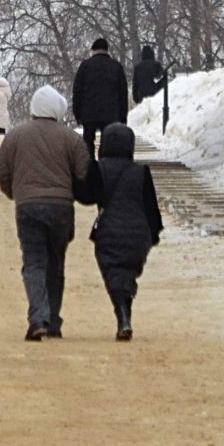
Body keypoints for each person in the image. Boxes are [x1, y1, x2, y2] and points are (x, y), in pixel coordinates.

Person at [0, 85, 89, 340]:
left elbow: (0, 169)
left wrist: (15, 192)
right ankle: (53, 319)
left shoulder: (15, 136)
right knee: (56, 264)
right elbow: (83, 173)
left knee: (34, 262)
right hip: (61, 208)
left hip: (28, 208)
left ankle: (38, 318)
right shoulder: (71, 139)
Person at [78, 122, 163, 340]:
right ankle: (125, 314)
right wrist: (153, 235)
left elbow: (88, 196)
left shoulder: (99, 169)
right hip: (138, 233)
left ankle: (123, 316)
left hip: (109, 231)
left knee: (114, 273)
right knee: (125, 273)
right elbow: (151, 207)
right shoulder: (141, 172)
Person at [72, 37, 130, 158]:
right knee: (108, 141)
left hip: (89, 113)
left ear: (93, 50)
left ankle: (89, 168)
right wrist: (123, 115)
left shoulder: (85, 66)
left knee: (88, 142)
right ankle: (105, 166)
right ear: (107, 50)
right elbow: (122, 93)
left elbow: (77, 91)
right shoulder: (116, 67)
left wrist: (77, 113)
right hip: (111, 113)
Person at [131, 45, 169, 130]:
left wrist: (135, 97)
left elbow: (135, 84)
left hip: (142, 94)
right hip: (155, 94)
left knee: (143, 116)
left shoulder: (138, 67)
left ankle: (143, 129)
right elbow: (163, 81)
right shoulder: (157, 65)